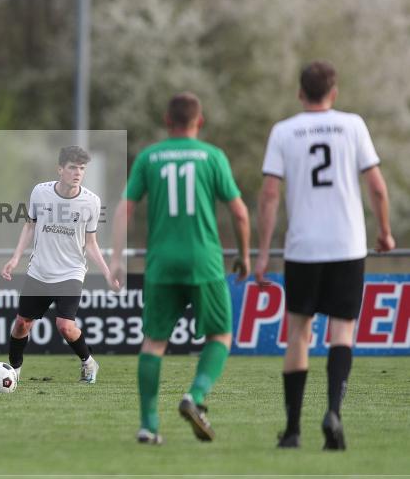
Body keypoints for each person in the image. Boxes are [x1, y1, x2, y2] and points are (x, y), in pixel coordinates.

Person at [255, 61, 394, 450]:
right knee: (342, 331)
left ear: (300, 93)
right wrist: (383, 231)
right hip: (347, 245)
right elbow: (378, 187)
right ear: (333, 93)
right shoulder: (353, 125)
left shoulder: (284, 131)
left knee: (298, 334)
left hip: (304, 248)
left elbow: (269, 195)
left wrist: (263, 254)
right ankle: (333, 412)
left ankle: (294, 431)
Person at [109, 93, 250, 445]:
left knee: (153, 342)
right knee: (219, 335)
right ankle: (196, 396)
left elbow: (123, 209)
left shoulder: (149, 157)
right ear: (199, 122)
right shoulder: (212, 156)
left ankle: (148, 426)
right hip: (204, 261)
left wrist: (115, 259)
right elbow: (240, 212)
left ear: (166, 120)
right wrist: (245, 255)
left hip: (161, 264)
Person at [1, 146, 113, 386]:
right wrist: (15, 258)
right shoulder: (40, 193)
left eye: (82, 168)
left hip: (71, 272)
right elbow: (29, 226)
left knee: (65, 326)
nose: (78, 173)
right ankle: (14, 370)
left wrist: (107, 271)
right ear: (60, 169)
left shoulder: (91, 202)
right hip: (39, 271)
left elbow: (90, 243)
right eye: (73, 167)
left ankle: (88, 361)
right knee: (22, 324)